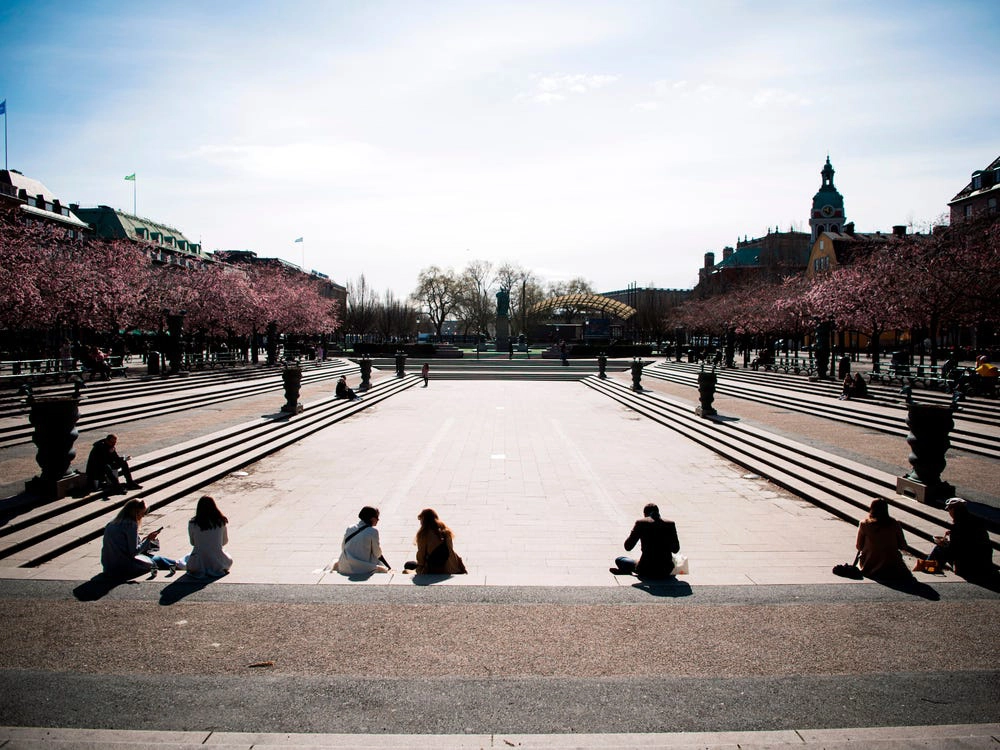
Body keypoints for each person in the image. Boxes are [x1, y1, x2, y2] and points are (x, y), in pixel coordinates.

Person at [101, 498, 178, 579]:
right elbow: (134, 551)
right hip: (123, 567)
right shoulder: (130, 525)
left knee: (157, 559)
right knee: (158, 560)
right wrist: (148, 540)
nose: (143, 516)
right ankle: (180, 566)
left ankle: (179, 564)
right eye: (143, 513)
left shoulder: (112, 523)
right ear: (136, 512)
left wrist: (145, 541)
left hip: (108, 566)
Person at [926, 498, 993, 579]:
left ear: (953, 510)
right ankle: (931, 565)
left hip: (968, 565)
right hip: (984, 563)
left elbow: (954, 549)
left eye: (949, 510)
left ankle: (928, 566)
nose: (949, 512)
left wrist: (943, 543)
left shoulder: (957, 526)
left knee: (939, 548)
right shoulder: (975, 521)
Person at [612, 503, 680, 578]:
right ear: (658, 512)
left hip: (646, 569)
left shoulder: (641, 523)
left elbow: (628, 547)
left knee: (620, 559)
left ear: (644, 514)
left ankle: (627, 570)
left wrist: (635, 531)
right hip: (666, 570)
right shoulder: (670, 524)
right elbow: (676, 549)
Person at [856, 498, 910, 580]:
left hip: (869, 565)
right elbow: (903, 545)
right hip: (893, 565)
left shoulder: (864, 524)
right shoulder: (894, 523)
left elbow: (859, 546)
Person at [182, 495, 233, 578]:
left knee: (188, 557)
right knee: (227, 557)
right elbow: (224, 542)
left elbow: (192, 543)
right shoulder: (221, 522)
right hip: (218, 563)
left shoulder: (193, 523)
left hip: (198, 563)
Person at [407, 508, 466, 575]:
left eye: (421, 520)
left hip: (435, 569)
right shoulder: (446, 531)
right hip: (452, 567)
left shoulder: (424, 534)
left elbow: (421, 556)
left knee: (408, 565)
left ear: (424, 520)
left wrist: (420, 570)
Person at [333, 506, 391, 574]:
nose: (378, 520)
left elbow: (343, 547)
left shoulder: (350, 528)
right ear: (372, 518)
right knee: (382, 568)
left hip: (344, 566)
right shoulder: (373, 531)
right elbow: (377, 553)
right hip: (361, 568)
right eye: (377, 517)